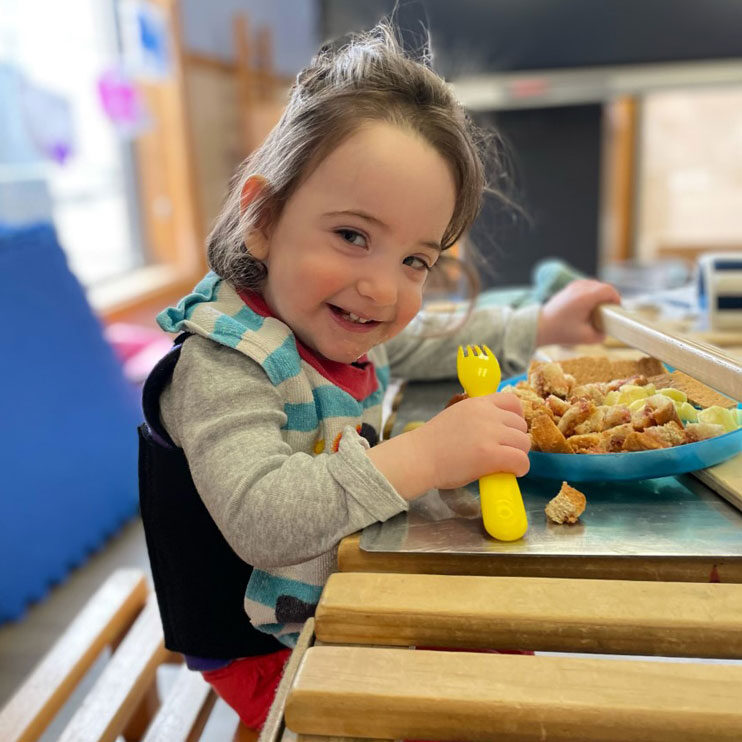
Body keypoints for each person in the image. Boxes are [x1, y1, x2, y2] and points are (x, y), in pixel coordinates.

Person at [138, 22, 621, 732]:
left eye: (415, 261)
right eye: (353, 236)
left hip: (338, 590)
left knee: (509, 656)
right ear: (262, 217)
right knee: (457, 709)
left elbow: (421, 338)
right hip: (266, 644)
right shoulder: (222, 363)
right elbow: (266, 520)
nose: (382, 291)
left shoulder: (335, 320)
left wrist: (540, 324)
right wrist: (426, 455)